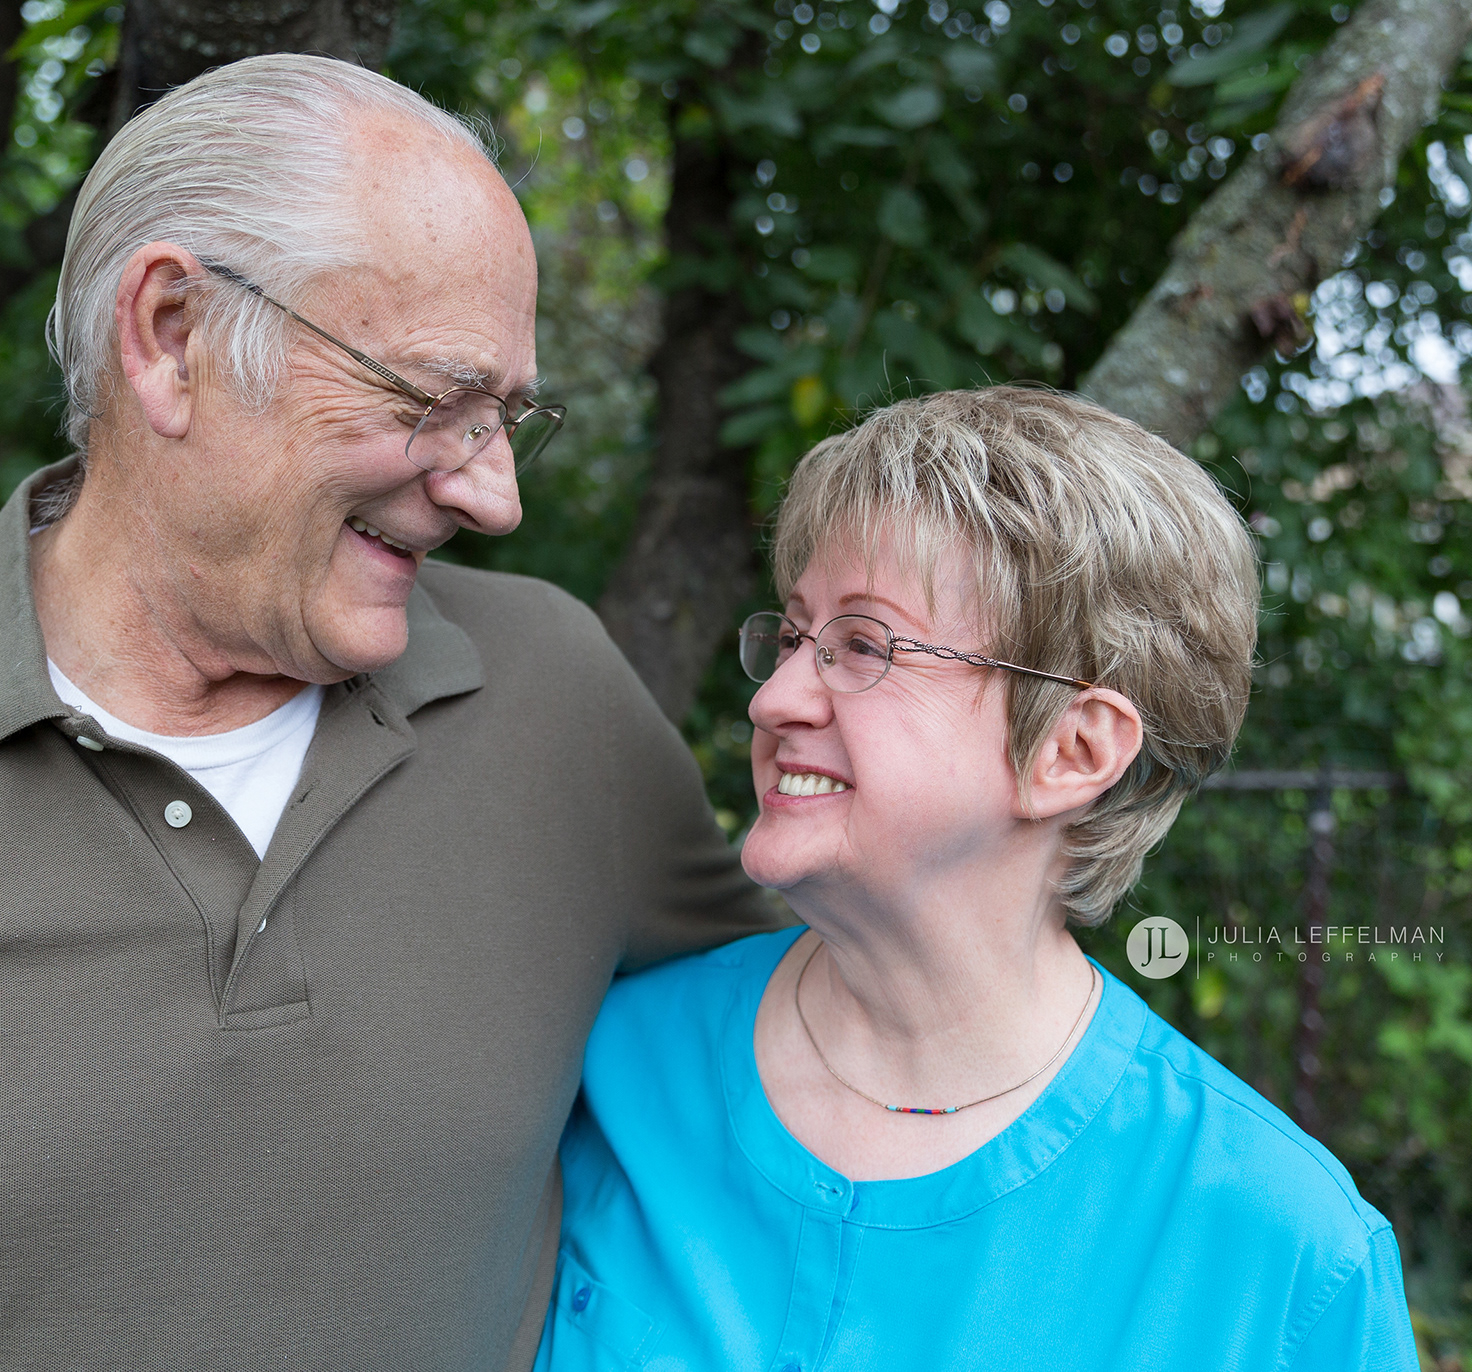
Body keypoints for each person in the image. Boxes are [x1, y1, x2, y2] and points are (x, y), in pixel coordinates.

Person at [0, 56, 777, 1372]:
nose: (496, 497)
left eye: (509, 418)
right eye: (436, 401)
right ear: (173, 335)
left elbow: (826, 1068)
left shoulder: (558, 699)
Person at [537, 387, 1422, 1372]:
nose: (776, 698)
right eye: (792, 638)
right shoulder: (608, 1060)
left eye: (864, 646)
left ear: (1073, 751)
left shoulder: (1283, 1256)